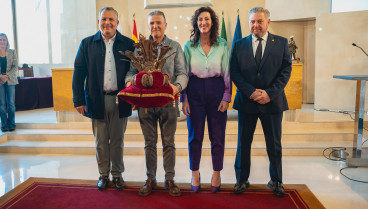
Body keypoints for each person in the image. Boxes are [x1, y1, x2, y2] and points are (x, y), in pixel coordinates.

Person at [125, 10, 188, 197]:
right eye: (152, 23)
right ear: (149, 25)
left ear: (165, 25)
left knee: (169, 143)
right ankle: (150, 178)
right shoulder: (138, 49)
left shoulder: (175, 46)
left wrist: (176, 88)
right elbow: (129, 74)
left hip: (168, 103)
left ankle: (169, 179)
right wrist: (130, 83)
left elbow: (182, 73)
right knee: (149, 143)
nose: (155, 26)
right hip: (145, 105)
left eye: (159, 23)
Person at [230, 7, 292, 197]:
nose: (255, 25)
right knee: (243, 143)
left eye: (259, 21)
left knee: (274, 144)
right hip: (247, 102)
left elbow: (286, 71)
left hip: (272, 103)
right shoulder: (239, 44)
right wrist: (250, 92)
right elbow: (234, 71)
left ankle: (276, 181)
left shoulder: (281, 43)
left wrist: (269, 93)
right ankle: (241, 179)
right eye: (252, 22)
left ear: (268, 22)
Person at [72, 7, 135, 191]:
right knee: (100, 141)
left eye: (111, 19)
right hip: (96, 99)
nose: (107, 22)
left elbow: (135, 73)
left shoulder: (128, 44)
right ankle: (103, 174)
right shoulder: (87, 44)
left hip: (120, 99)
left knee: (117, 140)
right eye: (104, 19)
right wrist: (79, 100)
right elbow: (79, 73)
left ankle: (117, 174)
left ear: (117, 22)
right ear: (98, 22)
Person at [181, 7, 231, 193]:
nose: (203, 22)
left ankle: (216, 173)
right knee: (195, 136)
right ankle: (195, 172)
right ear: (196, 22)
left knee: (217, 136)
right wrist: (184, 98)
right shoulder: (189, 46)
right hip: (194, 91)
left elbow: (227, 71)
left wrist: (226, 96)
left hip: (217, 91)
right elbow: (184, 73)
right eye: (200, 19)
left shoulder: (222, 45)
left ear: (212, 22)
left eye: (207, 19)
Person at [0, 33, 18, 132]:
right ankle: (4, 124)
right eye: (0, 39)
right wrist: (1, 76)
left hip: (10, 80)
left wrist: (6, 76)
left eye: (4, 39)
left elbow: (15, 66)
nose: (2, 41)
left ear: (7, 41)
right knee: (1, 104)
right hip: (0, 81)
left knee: (11, 103)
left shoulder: (12, 52)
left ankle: (12, 124)